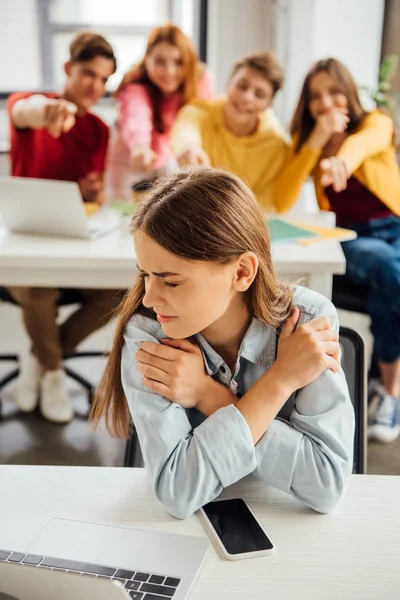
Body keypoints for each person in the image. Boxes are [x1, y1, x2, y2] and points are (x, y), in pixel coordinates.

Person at [91, 168, 354, 519]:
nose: (150, 298)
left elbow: (327, 484)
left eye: (170, 282)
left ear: (242, 272)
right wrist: (280, 382)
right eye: (145, 275)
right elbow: (179, 492)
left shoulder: (308, 321)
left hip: (280, 524)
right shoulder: (149, 337)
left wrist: (210, 396)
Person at [271, 58, 400, 444]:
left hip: (394, 224)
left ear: (349, 91)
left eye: (334, 91)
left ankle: (387, 385)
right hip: (353, 235)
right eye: (315, 96)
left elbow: (368, 142)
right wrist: (316, 141)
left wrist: (343, 157)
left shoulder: (375, 122)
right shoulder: (307, 141)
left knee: (387, 286)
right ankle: (392, 391)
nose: (326, 102)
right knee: (387, 267)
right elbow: (282, 198)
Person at [7, 32, 122, 424]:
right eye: (88, 73)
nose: (95, 85)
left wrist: (92, 192)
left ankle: (40, 356)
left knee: (117, 292)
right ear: (68, 69)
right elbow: (27, 112)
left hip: (71, 237)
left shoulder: (99, 132)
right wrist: (49, 111)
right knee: (38, 287)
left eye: (104, 79)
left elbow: (92, 197)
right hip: (23, 242)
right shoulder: (28, 105)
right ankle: (54, 373)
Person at [106, 23, 213, 201]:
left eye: (178, 62)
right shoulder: (135, 84)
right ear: (147, 59)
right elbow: (137, 115)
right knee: (123, 209)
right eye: (160, 62)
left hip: (164, 156)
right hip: (128, 156)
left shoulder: (198, 81)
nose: (169, 71)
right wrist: (140, 147)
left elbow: (194, 120)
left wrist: (190, 147)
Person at [170, 52, 289, 210]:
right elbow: (185, 131)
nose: (247, 97)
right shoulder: (198, 112)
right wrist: (189, 148)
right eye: (242, 86)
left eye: (259, 94)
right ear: (228, 83)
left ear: (269, 103)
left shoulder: (277, 144)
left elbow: (265, 206)